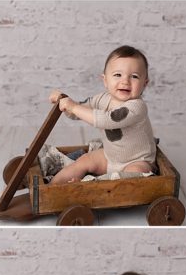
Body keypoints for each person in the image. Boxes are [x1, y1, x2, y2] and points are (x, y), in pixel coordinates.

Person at [49, 45, 158, 184]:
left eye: (134, 76)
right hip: (110, 158)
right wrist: (64, 105)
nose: (125, 81)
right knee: (85, 160)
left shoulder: (137, 107)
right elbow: (78, 113)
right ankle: (51, 188)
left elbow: (107, 120)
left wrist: (73, 106)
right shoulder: (101, 99)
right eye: (118, 74)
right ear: (105, 80)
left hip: (137, 160)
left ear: (145, 84)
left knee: (135, 174)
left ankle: (89, 185)